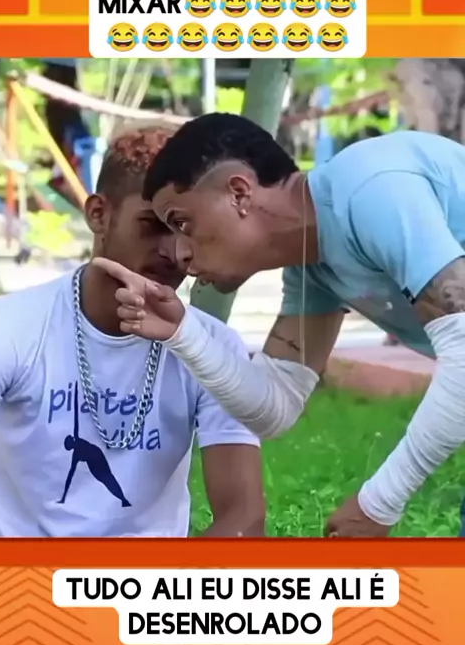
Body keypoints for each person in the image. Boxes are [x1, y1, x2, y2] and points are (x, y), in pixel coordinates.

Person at [95, 112, 465, 539]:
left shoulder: (373, 187)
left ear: (238, 193)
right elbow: (276, 408)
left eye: (182, 223)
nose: (179, 253)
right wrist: (184, 333)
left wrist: (379, 503)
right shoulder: (313, 264)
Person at [0, 123, 265, 538]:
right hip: (18, 572)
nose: (174, 252)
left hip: (149, 577)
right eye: (152, 225)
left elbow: (243, 519)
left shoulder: (214, 348)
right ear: (99, 214)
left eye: (186, 228)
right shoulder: (8, 330)